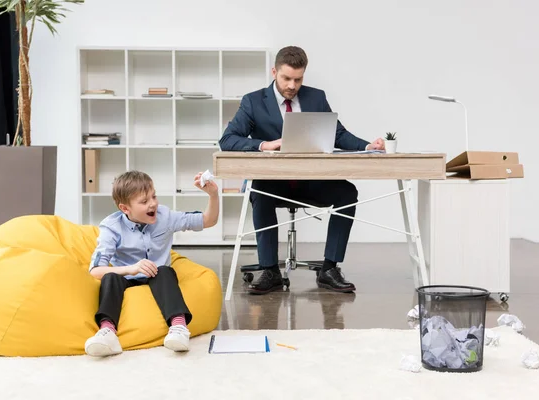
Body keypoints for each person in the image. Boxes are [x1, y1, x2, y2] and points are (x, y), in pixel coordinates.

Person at [219, 46, 385, 295]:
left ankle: (330, 269)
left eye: (298, 79)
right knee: (259, 192)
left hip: (310, 179)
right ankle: (270, 270)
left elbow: (337, 133)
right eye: (286, 78)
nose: (292, 85)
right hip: (273, 182)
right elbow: (228, 140)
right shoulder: (253, 101)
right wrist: (264, 145)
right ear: (274, 72)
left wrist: (367, 146)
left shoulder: (316, 98)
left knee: (347, 193)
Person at [84, 170, 219, 357]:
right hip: (127, 277)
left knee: (165, 271)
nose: (153, 203)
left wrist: (213, 194)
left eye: (153, 196)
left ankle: (178, 328)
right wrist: (131, 269)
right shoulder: (111, 227)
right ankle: (107, 332)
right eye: (144, 201)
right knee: (110, 278)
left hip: (156, 276)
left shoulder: (166, 217)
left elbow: (209, 220)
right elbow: (95, 270)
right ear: (125, 208)